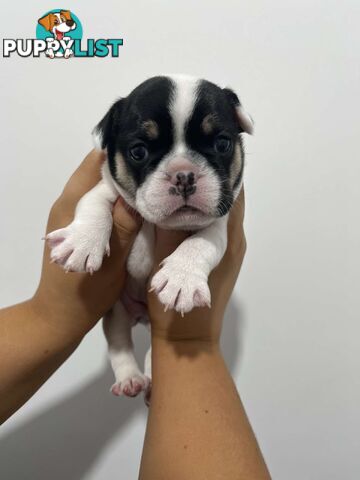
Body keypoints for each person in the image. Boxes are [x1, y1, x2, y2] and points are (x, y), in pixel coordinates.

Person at [0, 150, 270, 479]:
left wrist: (47, 315)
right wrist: (87, 234)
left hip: (151, 290)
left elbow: (213, 239)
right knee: (117, 323)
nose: (182, 175)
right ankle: (125, 364)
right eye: (144, 152)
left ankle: (153, 368)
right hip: (123, 293)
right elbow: (96, 203)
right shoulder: (115, 182)